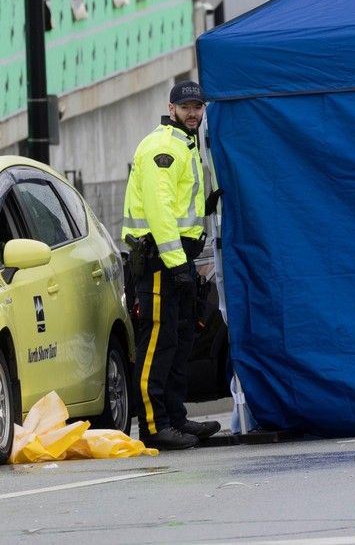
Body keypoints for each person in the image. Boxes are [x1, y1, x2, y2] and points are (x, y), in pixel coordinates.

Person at [121, 79, 223, 450]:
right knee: (158, 344)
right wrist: (177, 264)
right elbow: (159, 210)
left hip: (176, 258)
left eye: (197, 107)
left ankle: (175, 419)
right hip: (160, 261)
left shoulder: (186, 144)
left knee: (178, 341)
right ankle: (154, 426)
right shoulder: (163, 147)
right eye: (186, 107)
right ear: (171, 108)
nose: (193, 113)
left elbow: (178, 204)